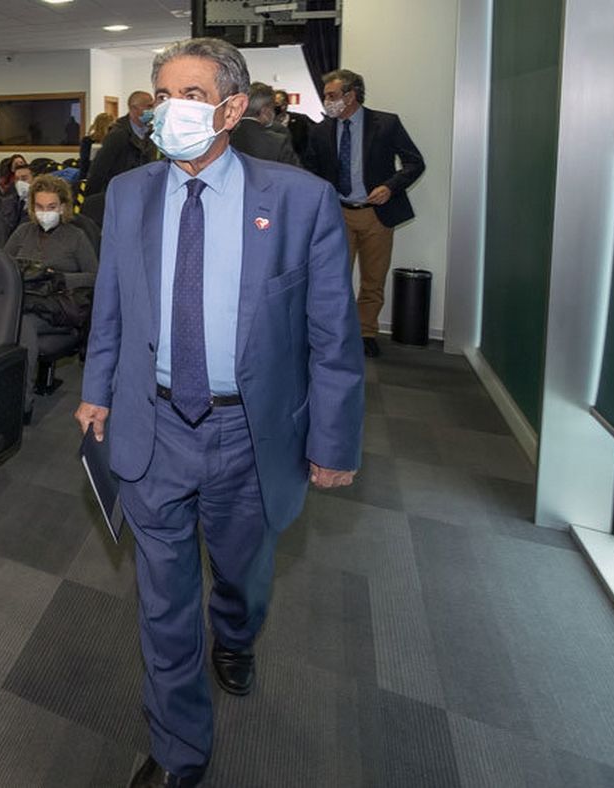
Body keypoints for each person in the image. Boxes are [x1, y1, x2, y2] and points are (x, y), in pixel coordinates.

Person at [76, 38, 363, 788]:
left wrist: (333, 440)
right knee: (162, 605)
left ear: (233, 108)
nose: (172, 111)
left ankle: (236, 633)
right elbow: (110, 307)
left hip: (248, 432)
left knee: (239, 575)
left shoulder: (300, 201)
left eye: (193, 95)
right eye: (163, 94)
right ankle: (180, 754)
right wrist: (95, 390)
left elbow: (332, 335)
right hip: (153, 423)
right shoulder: (131, 195)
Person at [304, 68, 426, 358]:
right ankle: (334, 334)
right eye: (325, 96)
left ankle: (366, 332)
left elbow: (414, 162)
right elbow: (309, 170)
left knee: (373, 279)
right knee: (334, 278)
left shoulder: (385, 123)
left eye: (332, 95)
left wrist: (390, 187)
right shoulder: (321, 131)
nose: (326, 101)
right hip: (338, 215)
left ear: (351, 95)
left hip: (376, 214)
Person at [5, 175, 98, 409]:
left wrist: (58, 277)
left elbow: (96, 276)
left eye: (51, 207)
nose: (45, 212)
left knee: (22, 326)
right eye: (39, 207)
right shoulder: (23, 232)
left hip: (58, 307)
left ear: (63, 207)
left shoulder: (76, 237)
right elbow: (2, 265)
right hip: (24, 300)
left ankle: (19, 405)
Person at [85, 91, 159, 195]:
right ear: (134, 108)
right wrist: (91, 199)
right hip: (120, 193)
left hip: (143, 192)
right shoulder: (118, 135)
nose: (152, 110)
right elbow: (99, 169)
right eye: (148, 107)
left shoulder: (151, 135)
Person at [229, 82, 300, 166]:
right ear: (265, 110)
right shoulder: (278, 142)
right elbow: (296, 175)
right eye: (272, 107)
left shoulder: (223, 137)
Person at [272, 89, 313, 159]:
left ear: (285, 105)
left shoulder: (301, 120)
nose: (273, 106)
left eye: (276, 103)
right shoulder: (266, 122)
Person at [2, 163, 35, 229]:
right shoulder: (8, 201)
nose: (20, 183)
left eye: (24, 179)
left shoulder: (42, 203)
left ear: (34, 180)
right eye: (17, 179)